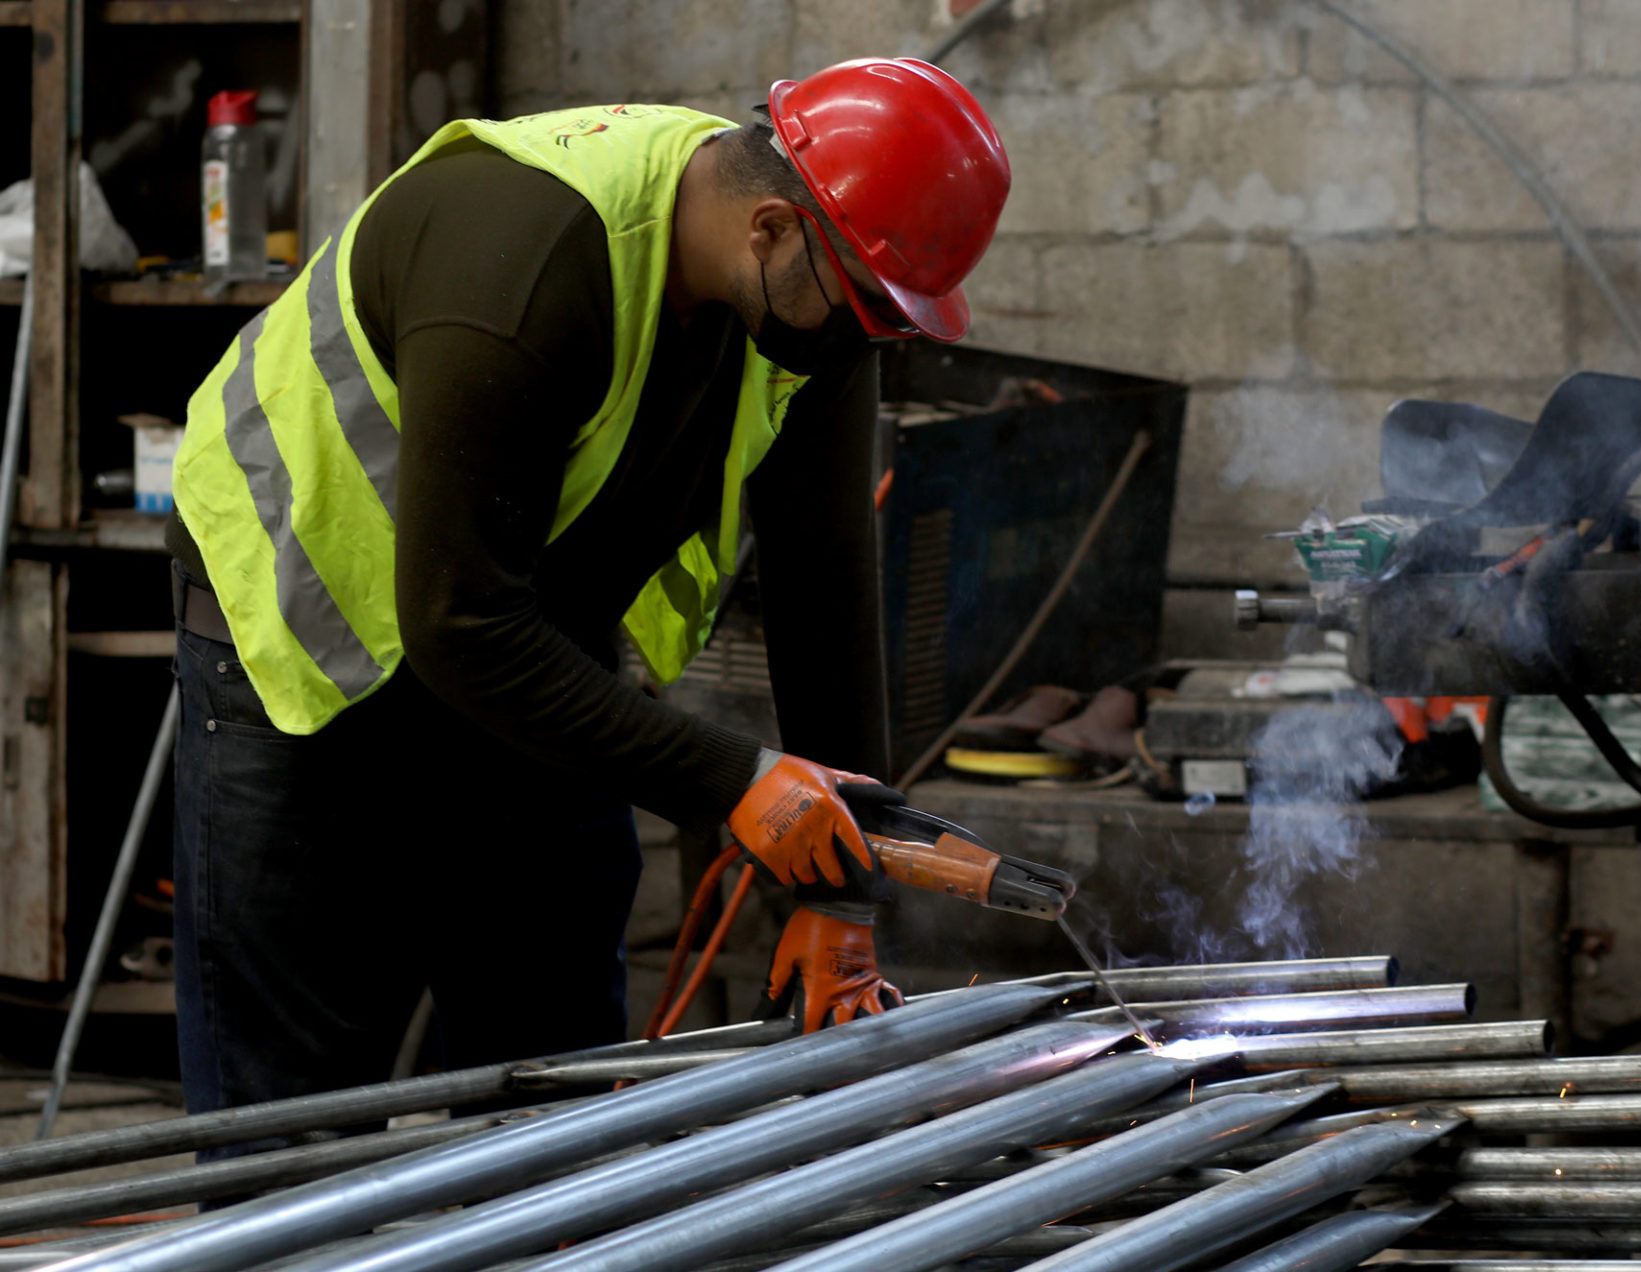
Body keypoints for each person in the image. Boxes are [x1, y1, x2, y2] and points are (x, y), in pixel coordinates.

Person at [164, 57, 1010, 1139]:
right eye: (865, 308)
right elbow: (457, 620)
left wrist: (842, 890)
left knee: (552, 1104)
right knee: (291, 1137)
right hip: (310, 650)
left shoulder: (820, 304)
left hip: (522, 658)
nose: (867, 342)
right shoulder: (525, 259)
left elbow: (827, 593)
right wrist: (737, 782)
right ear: (769, 228)